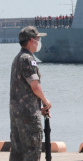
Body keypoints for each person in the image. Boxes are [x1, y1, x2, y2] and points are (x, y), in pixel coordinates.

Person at [9, 26, 52, 161]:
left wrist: (37, 107)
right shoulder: (28, 59)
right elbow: (34, 85)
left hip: (16, 114)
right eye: (38, 39)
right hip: (28, 117)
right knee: (32, 152)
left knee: (17, 153)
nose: (39, 42)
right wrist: (45, 101)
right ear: (32, 40)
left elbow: (21, 89)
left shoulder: (17, 59)